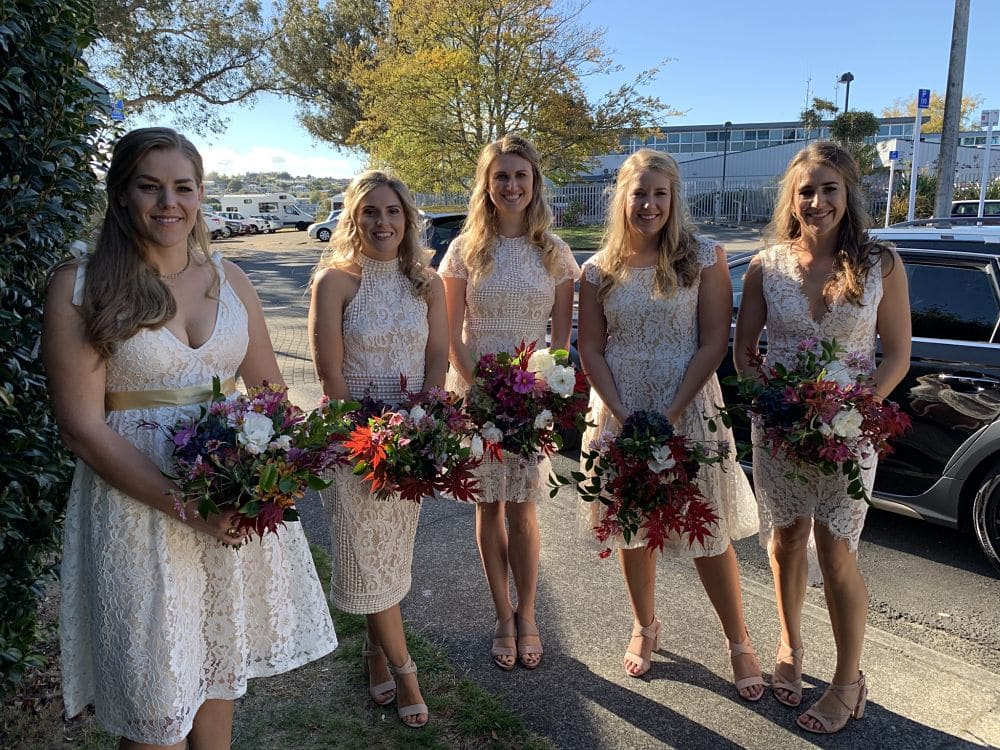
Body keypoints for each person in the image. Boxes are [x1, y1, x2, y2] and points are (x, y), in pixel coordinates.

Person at [42, 127, 338, 750]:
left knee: (215, 688)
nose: (167, 203)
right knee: (155, 717)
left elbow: (271, 402)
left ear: (201, 194)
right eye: (149, 187)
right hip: (135, 512)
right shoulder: (80, 284)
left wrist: (273, 481)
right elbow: (82, 428)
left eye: (182, 187)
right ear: (122, 194)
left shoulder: (230, 280)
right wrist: (187, 506)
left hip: (228, 508)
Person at [733, 141, 911, 733]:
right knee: (784, 540)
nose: (817, 201)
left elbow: (898, 357)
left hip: (848, 431)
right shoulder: (766, 266)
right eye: (805, 190)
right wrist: (774, 402)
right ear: (791, 196)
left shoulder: (880, 262)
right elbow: (743, 351)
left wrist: (855, 413)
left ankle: (848, 681)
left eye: (829, 188)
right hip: (780, 430)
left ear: (848, 193)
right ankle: (789, 646)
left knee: (837, 551)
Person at [576, 148, 763, 698]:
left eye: (660, 194)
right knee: (632, 528)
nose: (650, 204)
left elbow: (712, 343)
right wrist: (622, 413)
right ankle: (645, 625)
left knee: (708, 530)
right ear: (622, 199)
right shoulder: (596, 270)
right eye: (640, 193)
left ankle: (739, 641)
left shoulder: (703, 258)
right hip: (620, 411)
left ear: (674, 199)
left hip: (688, 409)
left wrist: (672, 412)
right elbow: (590, 347)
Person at [309, 170, 448, 728]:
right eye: (370, 212)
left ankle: (374, 654)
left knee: (386, 559)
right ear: (353, 217)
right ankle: (407, 671)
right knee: (367, 556)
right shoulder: (337, 281)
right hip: (354, 440)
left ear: (407, 219)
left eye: (392, 212)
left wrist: (427, 422)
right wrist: (365, 441)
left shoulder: (427, 282)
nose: (382, 222)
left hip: (411, 438)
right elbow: (329, 372)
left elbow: (437, 355)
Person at [440, 134, 579, 671]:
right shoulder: (464, 250)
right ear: (487, 184)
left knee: (523, 510)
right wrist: (476, 385)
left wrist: (544, 388)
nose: (512, 185)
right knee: (488, 506)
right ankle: (502, 615)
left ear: (534, 182)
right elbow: (451, 332)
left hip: (532, 398)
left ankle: (529, 614)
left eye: (520, 175)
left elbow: (561, 344)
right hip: (476, 391)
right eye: (501, 176)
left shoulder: (556, 253)